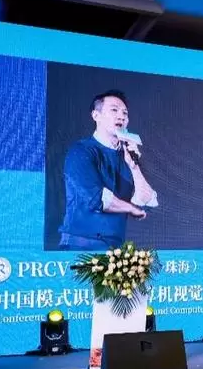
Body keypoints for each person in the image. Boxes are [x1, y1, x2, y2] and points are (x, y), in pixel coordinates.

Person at [58, 90, 158, 250]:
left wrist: (134, 167)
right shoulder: (81, 150)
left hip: (115, 248)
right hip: (81, 244)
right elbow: (96, 198)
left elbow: (147, 201)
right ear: (96, 115)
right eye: (114, 110)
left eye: (125, 113)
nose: (121, 116)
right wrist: (131, 208)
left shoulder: (129, 156)